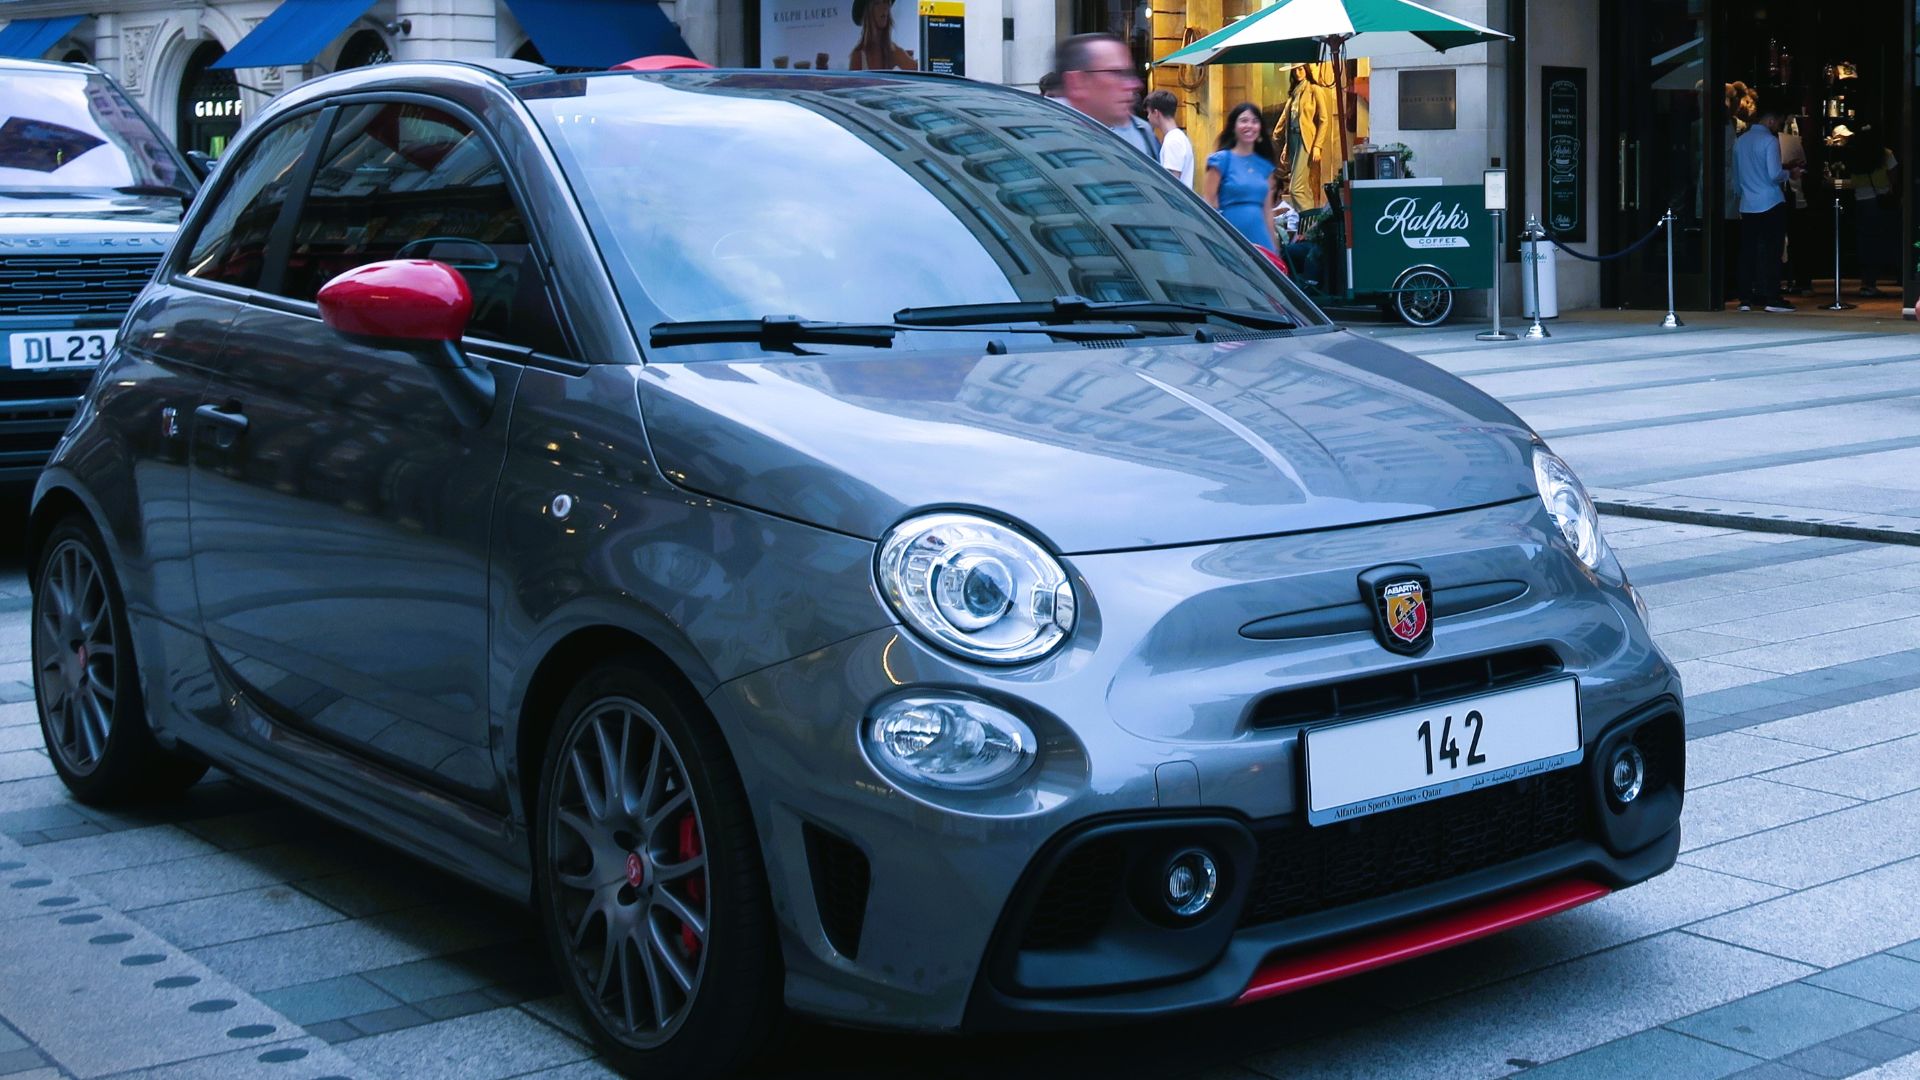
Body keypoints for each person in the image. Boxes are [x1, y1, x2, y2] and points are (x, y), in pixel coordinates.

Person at [1733, 107, 1797, 312]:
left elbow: (1736, 177)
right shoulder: (1769, 141)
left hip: (1748, 203)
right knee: (1772, 251)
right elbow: (1773, 174)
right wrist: (1789, 173)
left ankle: (1745, 298)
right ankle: (1772, 297)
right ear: (1770, 121)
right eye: (1778, 123)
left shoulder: (1740, 141)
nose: (1778, 127)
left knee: (1748, 252)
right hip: (1770, 201)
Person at [1054, 32, 1156, 158]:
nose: (1135, 84)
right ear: (1077, 82)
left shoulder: (1142, 133)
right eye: (1117, 73)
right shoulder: (1037, 143)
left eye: (1130, 73)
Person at [1204, 102, 1279, 252]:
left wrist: (1276, 250)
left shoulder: (1265, 167)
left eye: (1254, 121)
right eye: (1244, 120)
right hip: (1230, 237)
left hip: (1261, 239)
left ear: (1260, 128)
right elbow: (1208, 203)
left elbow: (1267, 212)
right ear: (1234, 127)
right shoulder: (1221, 160)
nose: (1249, 126)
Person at [1846, 124, 1899, 298]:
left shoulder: (1855, 156)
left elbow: (1852, 180)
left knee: (1865, 242)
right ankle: (1886, 277)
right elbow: (1894, 177)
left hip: (1861, 200)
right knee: (1883, 240)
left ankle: (1866, 281)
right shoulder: (1886, 154)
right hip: (1880, 200)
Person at [1143, 90, 1194, 187]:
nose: (1148, 117)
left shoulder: (1173, 141)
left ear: (1156, 113)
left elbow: (1172, 183)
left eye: (1149, 113)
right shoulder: (1176, 137)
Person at [847, 0, 916, 72]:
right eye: (877, 3)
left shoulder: (893, 51)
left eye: (886, 2)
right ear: (869, 11)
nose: (884, 7)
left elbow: (921, 70)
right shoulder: (858, 56)